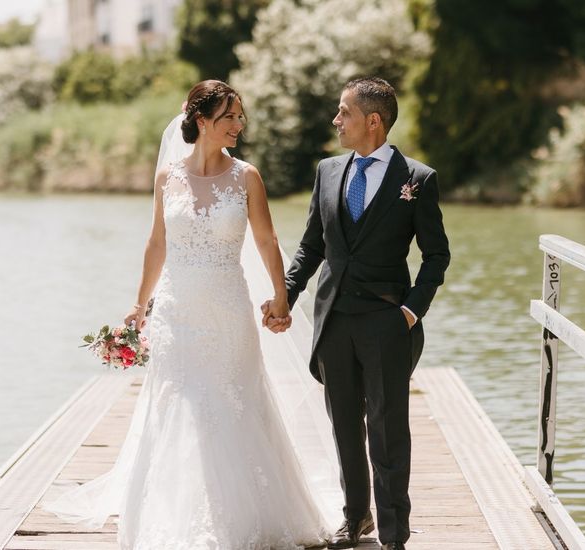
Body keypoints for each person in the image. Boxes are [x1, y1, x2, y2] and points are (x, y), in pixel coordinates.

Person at [45, 80, 335, 549]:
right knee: (179, 407)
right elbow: (157, 243)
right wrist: (139, 306)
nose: (239, 126)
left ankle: (247, 518)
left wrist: (281, 297)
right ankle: (178, 517)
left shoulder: (247, 177)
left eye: (240, 117)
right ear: (201, 121)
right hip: (176, 313)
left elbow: (266, 240)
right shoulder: (167, 179)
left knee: (233, 402)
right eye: (229, 118)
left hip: (228, 311)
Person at [264, 77, 451, 550]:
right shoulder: (328, 171)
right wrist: (286, 293)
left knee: (388, 432)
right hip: (333, 321)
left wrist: (410, 312)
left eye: (343, 112)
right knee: (345, 426)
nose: (336, 120)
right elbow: (311, 246)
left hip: (388, 323)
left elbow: (437, 255)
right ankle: (356, 518)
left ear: (373, 120)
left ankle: (394, 533)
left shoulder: (417, 179)